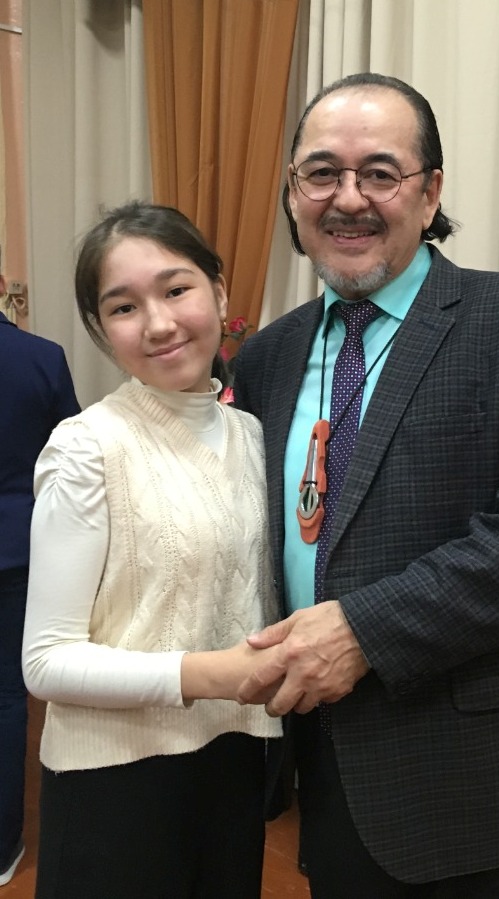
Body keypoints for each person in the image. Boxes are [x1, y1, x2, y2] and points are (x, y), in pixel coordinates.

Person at [233, 73, 499, 897]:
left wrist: (364, 631)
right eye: (321, 173)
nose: (348, 198)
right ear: (293, 191)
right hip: (336, 774)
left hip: (496, 786)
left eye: (379, 172)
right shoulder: (266, 356)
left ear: (430, 190)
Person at [22, 201, 282, 899]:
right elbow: (45, 661)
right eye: (124, 307)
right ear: (102, 330)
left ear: (219, 293)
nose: (159, 323)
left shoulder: (254, 436)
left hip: (232, 760)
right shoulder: (88, 447)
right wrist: (216, 673)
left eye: (176, 289)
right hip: (115, 782)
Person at [0, 268, 80, 888]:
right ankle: (3, 846)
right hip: (17, 548)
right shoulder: (42, 357)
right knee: (8, 698)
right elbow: (69, 454)